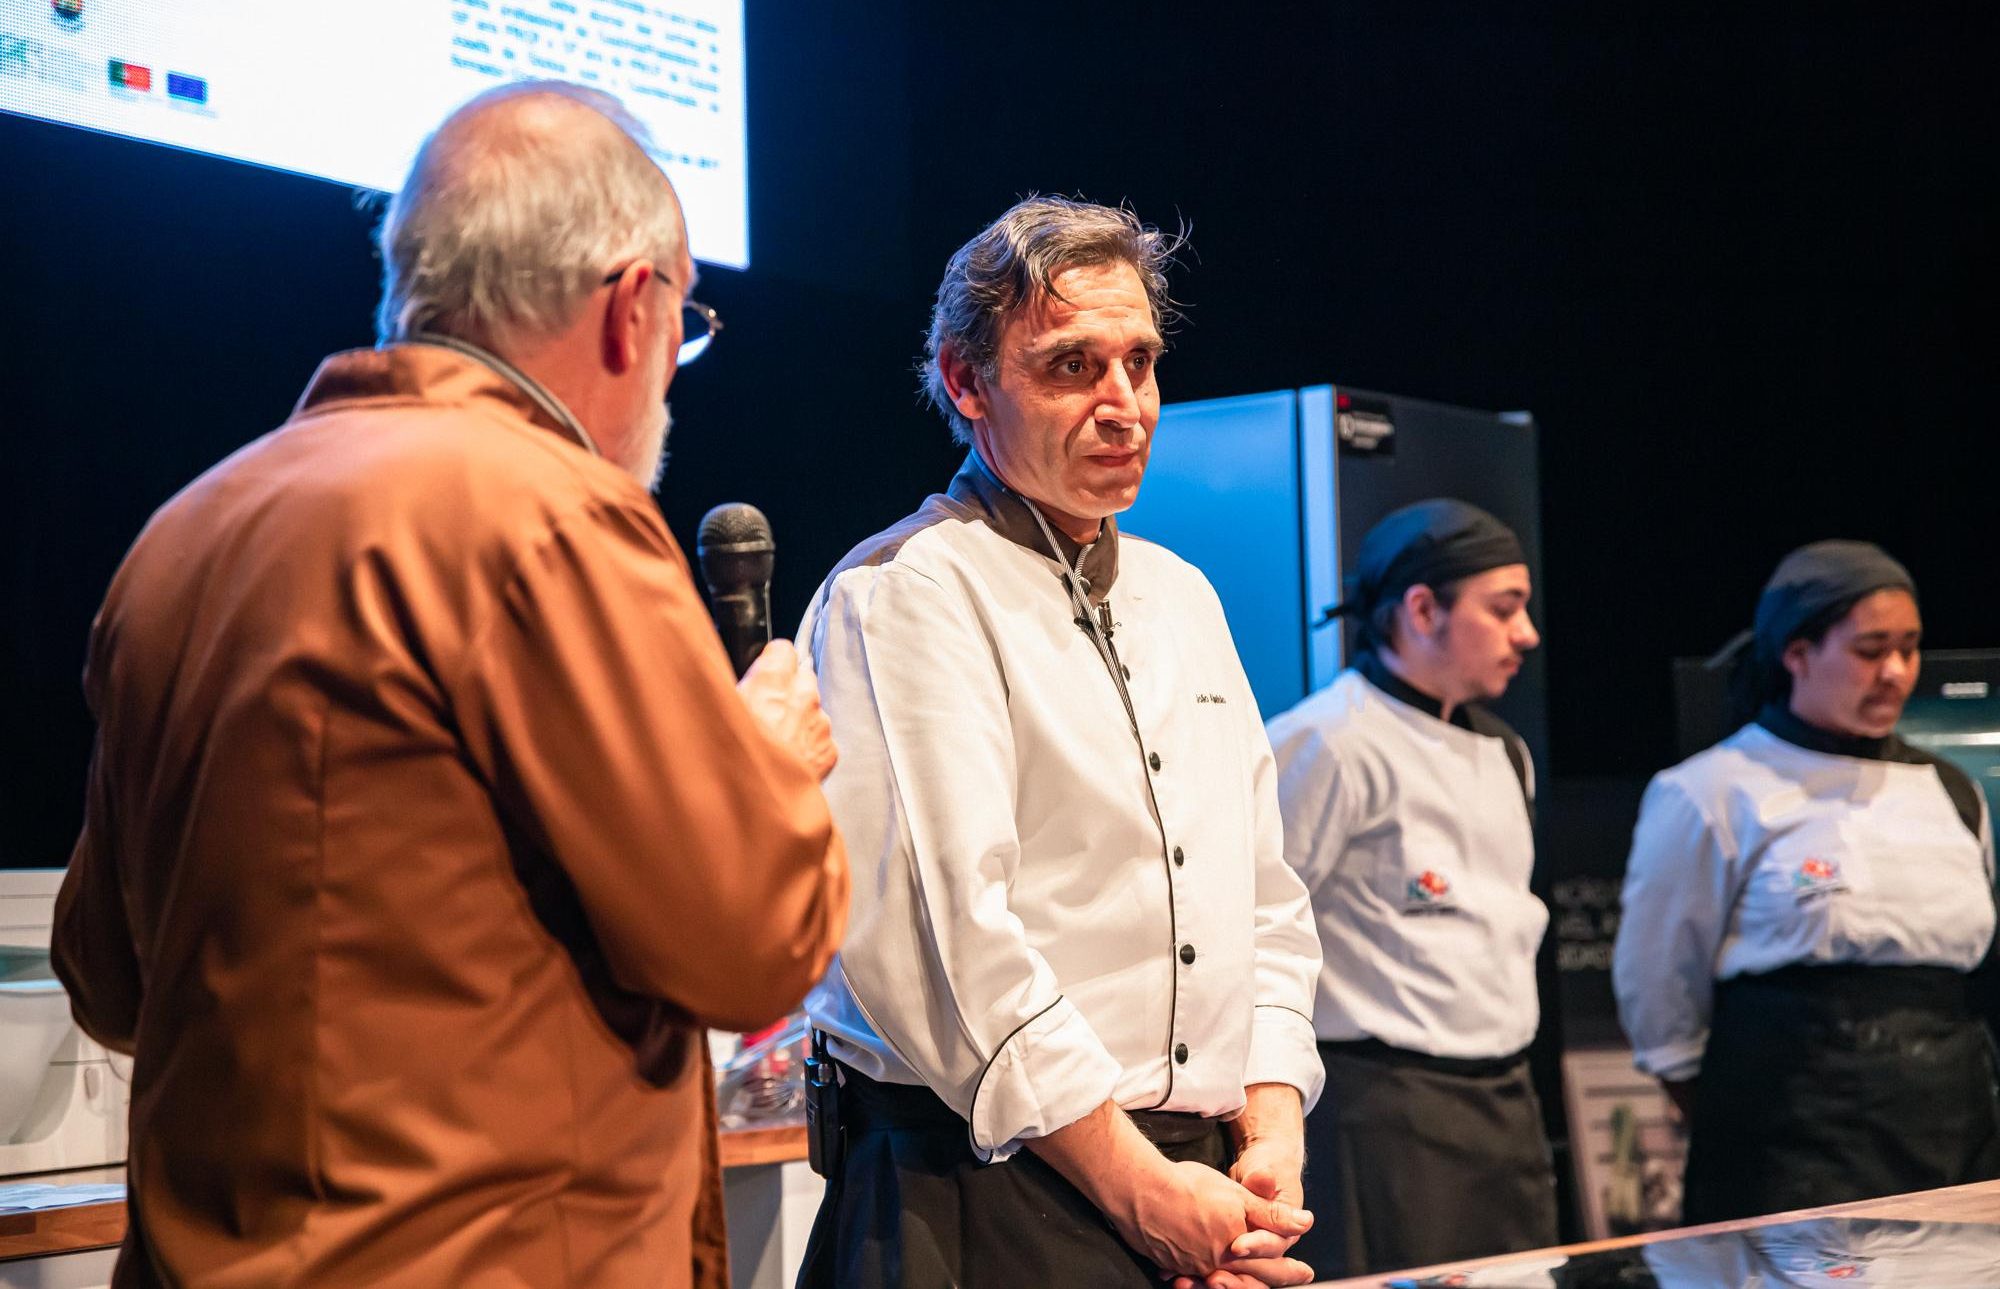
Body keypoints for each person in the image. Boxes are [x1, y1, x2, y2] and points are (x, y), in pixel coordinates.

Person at [50, 82, 849, 1288]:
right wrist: (768, 761)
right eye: (684, 326)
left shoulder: (181, 538)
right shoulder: (553, 515)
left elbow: (106, 977)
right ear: (631, 307)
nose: (671, 374)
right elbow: (752, 944)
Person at [793, 196, 1325, 1289]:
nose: (1123, 404)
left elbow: (1265, 898)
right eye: (1071, 366)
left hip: (1199, 1184)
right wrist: (1139, 1188)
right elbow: (952, 953)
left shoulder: (1185, 597)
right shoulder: (905, 595)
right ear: (965, 382)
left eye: (1139, 362)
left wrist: (1269, 1130)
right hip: (984, 1189)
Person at [1614, 540, 2000, 1223]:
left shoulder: (1951, 790)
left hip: (1953, 1114)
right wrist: (1716, 1105)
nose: (1896, 671)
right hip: (1789, 1131)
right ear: (1796, 653)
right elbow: (1658, 979)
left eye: (1909, 648)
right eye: (1869, 649)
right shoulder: (1712, 789)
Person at [1265, 498, 1556, 1277]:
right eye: (1504, 609)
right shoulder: (1328, 740)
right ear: (1422, 608)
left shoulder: (1507, 751)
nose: (1526, 632)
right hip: (1381, 1113)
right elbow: (1252, 926)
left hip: (1505, 1106)